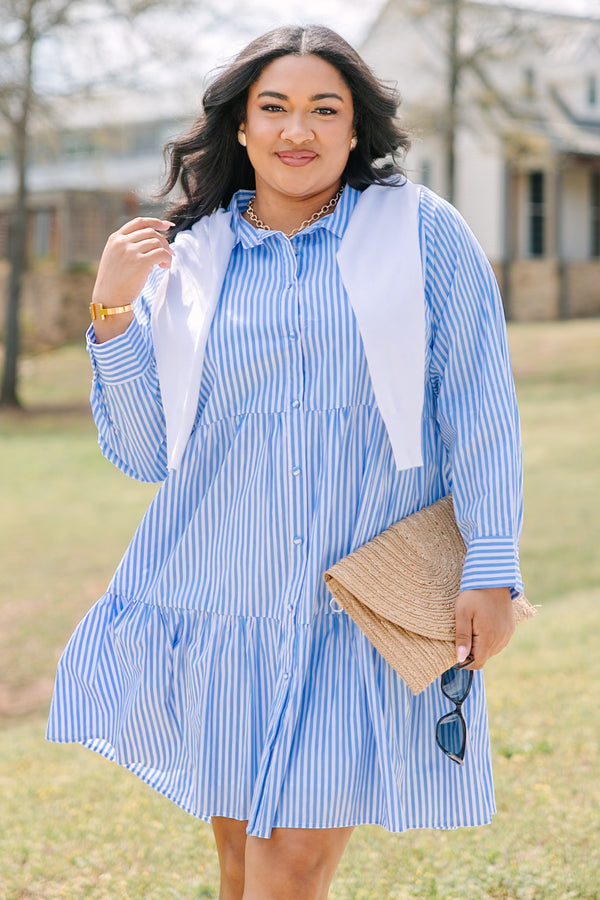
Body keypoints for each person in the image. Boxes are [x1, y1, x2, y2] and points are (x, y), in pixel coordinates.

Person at [47, 24, 524, 900]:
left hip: (353, 608)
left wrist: (491, 567)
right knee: (240, 861)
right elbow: (151, 453)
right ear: (239, 126)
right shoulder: (191, 259)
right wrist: (112, 315)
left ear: (356, 131)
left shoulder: (425, 235)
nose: (296, 130)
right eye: (273, 107)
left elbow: (480, 407)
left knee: (288, 869)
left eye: (323, 109)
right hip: (225, 599)